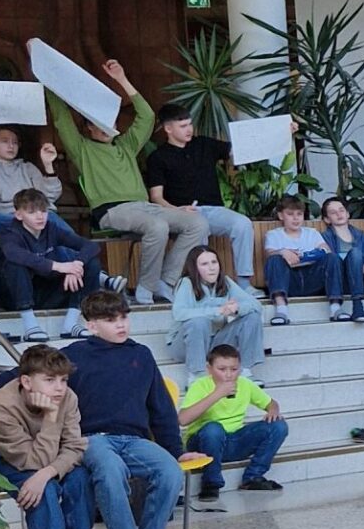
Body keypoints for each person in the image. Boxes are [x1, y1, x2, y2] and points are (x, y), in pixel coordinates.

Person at [47, 56, 207, 305]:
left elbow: (146, 116)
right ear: (88, 127)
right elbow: (61, 118)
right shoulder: (82, 148)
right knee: (157, 226)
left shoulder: (126, 145)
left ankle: (167, 282)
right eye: (96, 123)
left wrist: (121, 79)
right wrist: (49, 74)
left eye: (107, 120)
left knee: (197, 223)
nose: (104, 126)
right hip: (112, 210)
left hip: (144, 207)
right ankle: (145, 288)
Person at [65, 288, 183, 529]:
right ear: (91, 325)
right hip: (93, 439)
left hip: (133, 439)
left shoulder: (141, 354)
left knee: (170, 471)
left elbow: (162, 409)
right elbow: (23, 374)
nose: (121, 324)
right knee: (110, 468)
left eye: (124, 317)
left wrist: (176, 451)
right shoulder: (75, 355)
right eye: (110, 319)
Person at [0, 343, 93, 529]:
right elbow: (32, 461)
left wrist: (47, 473)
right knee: (44, 491)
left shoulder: (67, 397)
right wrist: (51, 416)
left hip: (49, 463)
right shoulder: (0, 407)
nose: (59, 387)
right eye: (50, 380)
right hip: (9, 464)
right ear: (26, 381)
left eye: (64, 380)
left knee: (80, 478)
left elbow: (75, 447)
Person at [142, 109, 257, 285]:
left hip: (214, 209)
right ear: (168, 129)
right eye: (183, 126)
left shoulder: (203, 144)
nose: (189, 129)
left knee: (243, 224)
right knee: (198, 228)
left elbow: (238, 151)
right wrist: (178, 211)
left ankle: (244, 283)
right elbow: (156, 196)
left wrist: (280, 133)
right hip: (183, 213)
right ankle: (203, 286)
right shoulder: (158, 157)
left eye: (190, 124)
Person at [0, 190, 120, 338]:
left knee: (91, 263)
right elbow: (15, 254)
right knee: (15, 264)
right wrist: (60, 266)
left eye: (43, 211)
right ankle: (30, 325)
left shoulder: (51, 228)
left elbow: (90, 246)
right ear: (19, 215)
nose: (40, 216)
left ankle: (71, 323)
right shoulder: (10, 233)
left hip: (47, 293)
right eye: (32, 212)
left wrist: (76, 266)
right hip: (16, 297)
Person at [177, 346, 287, 495]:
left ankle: (253, 477)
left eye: (234, 369)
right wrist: (217, 394)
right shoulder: (200, 385)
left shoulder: (245, 384)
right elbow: (182, 419)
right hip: (203, 442)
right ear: (209, 369)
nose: (228, 375)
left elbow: (271, 403)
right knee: (213, 429)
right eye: (221, 369)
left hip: (234, 440)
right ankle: (211, 483)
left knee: (279, 426)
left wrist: (273, 411)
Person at [170, 245, 265, 372]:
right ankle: (197, 376)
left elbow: (255, 305)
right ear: (195, 268)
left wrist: (236, 309)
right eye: (204, 264)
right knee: (198, 321)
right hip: (186, 344)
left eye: (214, 262)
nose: (211, 268)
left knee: (252, 316)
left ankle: (245, 371)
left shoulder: (225, 281)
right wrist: (217, 310)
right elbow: (179, 313)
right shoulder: (186, 283)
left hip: (216, 342)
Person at [0, 123, 63, 237]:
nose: (11, 146)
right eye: (5, 141)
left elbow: (50, 196)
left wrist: (48, 165)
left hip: (35, 215)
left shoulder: (27, 168)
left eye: (15, 142)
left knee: (49, 219)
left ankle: (79, 252)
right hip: (5, 217)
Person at [261, 198, 333, 320]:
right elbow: (269, 253)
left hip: (312, 279)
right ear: (280, 215)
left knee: (332, 258)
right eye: (290, 214)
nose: (296, 218)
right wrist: (283, 252)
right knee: (274, 259)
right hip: (289, 283)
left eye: (299, 214)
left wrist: (305, 256)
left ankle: (335, 307)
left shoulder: (312, 233)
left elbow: (326, 250)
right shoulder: (273, 234)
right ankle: (281, 309)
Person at [318, 196, 364, 324]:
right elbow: (329, 262)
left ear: (347, 214)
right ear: (326, 219)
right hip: (340, 282)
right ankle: (357, 306)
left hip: (362, 279)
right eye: (333, 212)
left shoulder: (360, 235)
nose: (338, 214)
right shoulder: (324, 237)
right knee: (355, 253)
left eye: (341, 210)